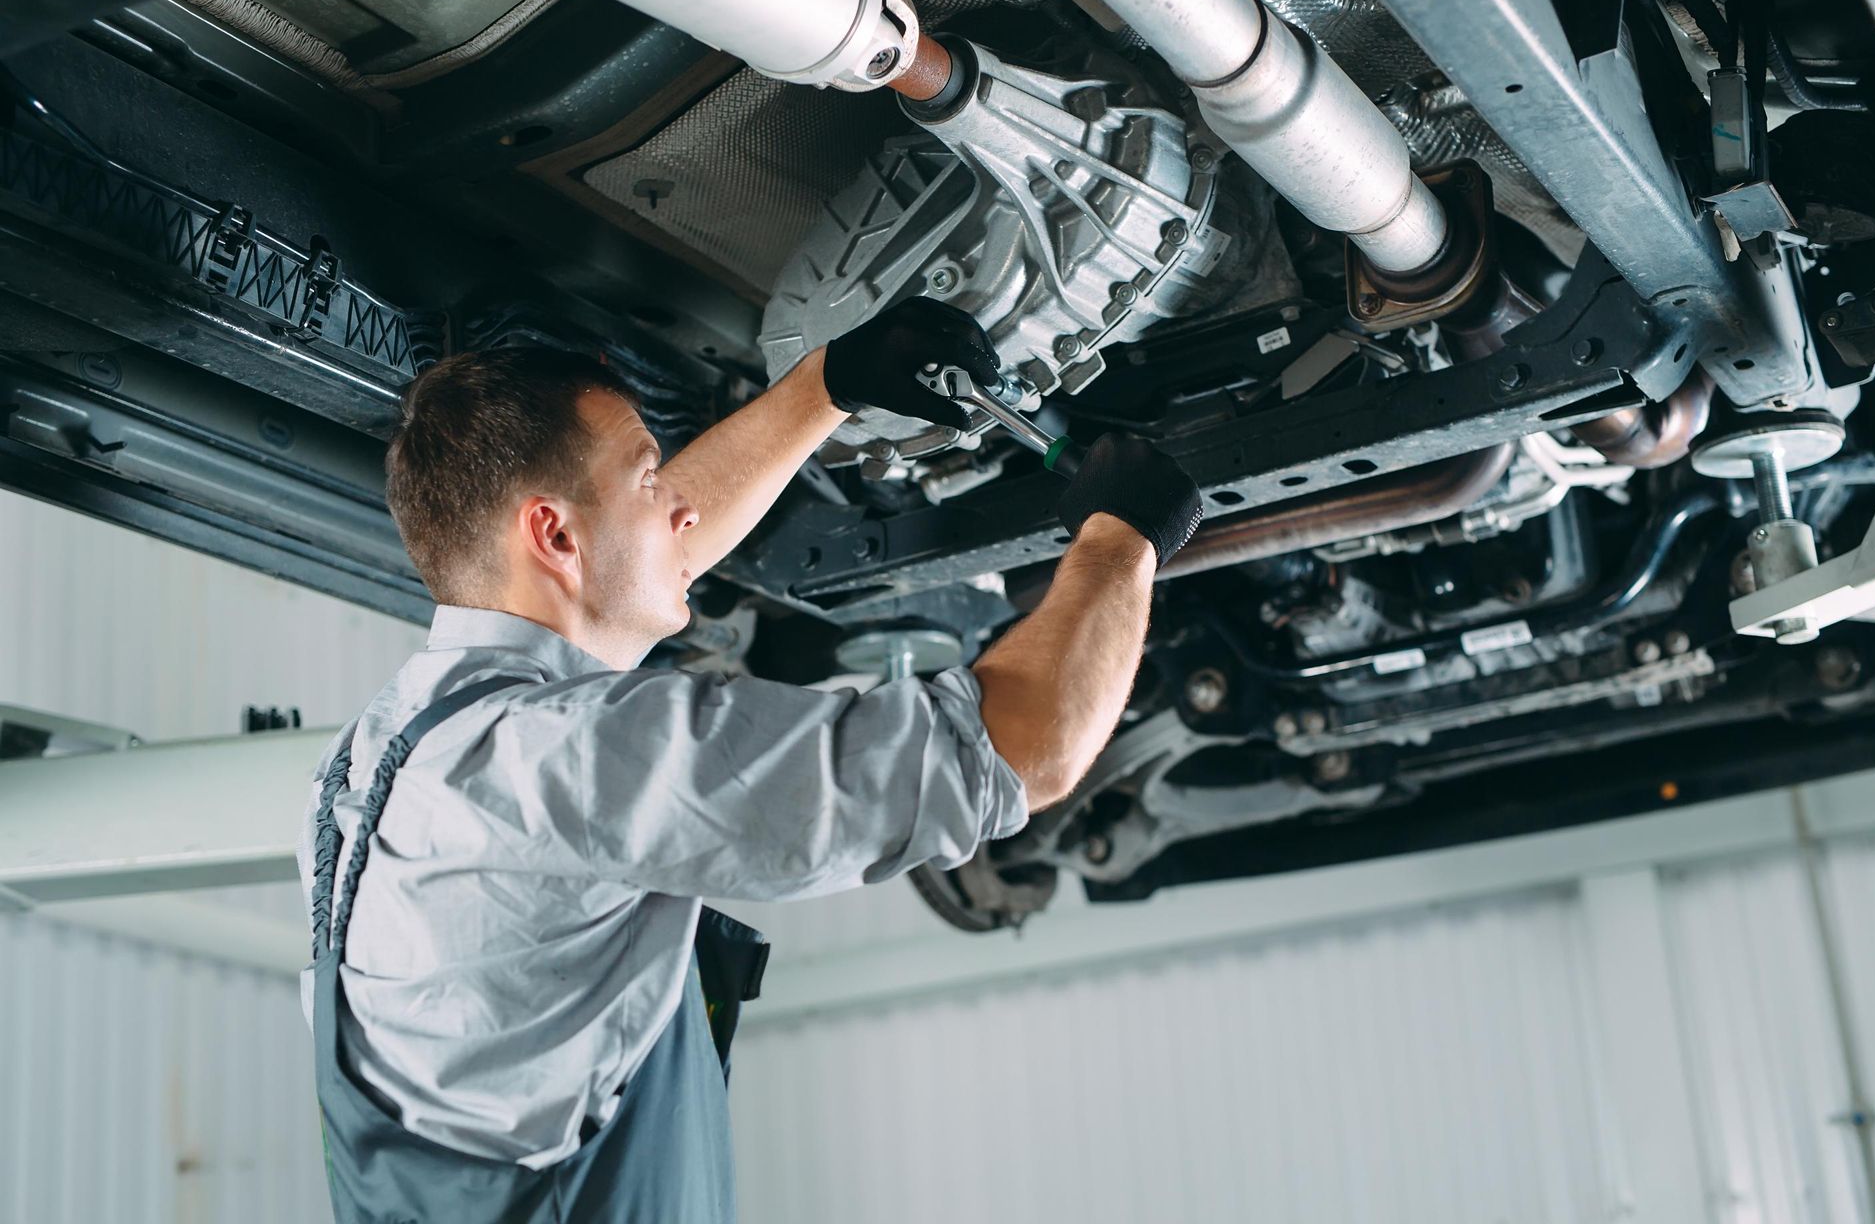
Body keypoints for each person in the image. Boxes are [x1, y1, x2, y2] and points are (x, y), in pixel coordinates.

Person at [298, 298, 1203, 1222]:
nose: (678, 506)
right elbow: (1018, 751)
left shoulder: (390, 750)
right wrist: (1121, 542)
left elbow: (649, 554)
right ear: (554, 536)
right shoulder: (562, 756)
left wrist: (828, 386)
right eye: (650, 480)